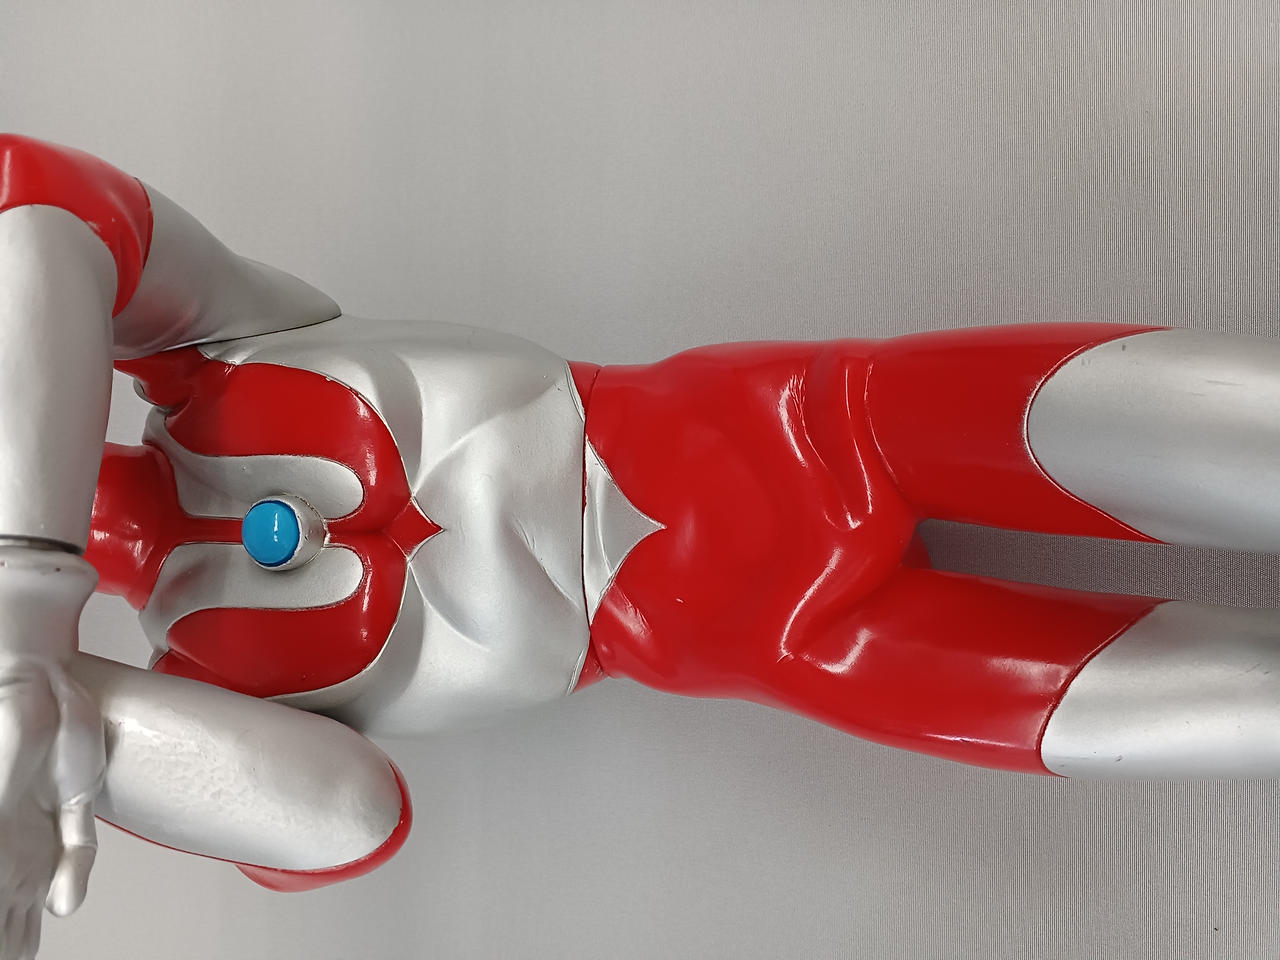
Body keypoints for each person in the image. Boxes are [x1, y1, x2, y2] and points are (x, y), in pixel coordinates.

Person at [4, 133, 1280, 957]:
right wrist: (64, 732)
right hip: (809, 645)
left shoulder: (224, 345)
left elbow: (40, 200)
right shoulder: (189, 690)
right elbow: (345, 819)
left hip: (817, 423)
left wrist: (26, 613)